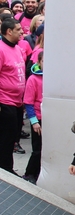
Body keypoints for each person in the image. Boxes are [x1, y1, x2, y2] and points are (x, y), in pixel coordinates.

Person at [0, 17, 25, 174]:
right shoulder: (1, 49)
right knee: (6, 140)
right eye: (18, 30)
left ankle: (7, 166)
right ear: (9, 31)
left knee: (14, 138)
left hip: (17, 102)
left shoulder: (17, 48)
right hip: (4, 101)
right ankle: (5, 170)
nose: (22, 32)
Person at [22, 51, 43, 183]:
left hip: (49, 119)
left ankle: (38, 173)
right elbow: (28, 103)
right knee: (37, 149)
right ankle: (29, 173)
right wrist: (34, 121)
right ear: (39, 62)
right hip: (38, 118)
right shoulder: (33, 79)